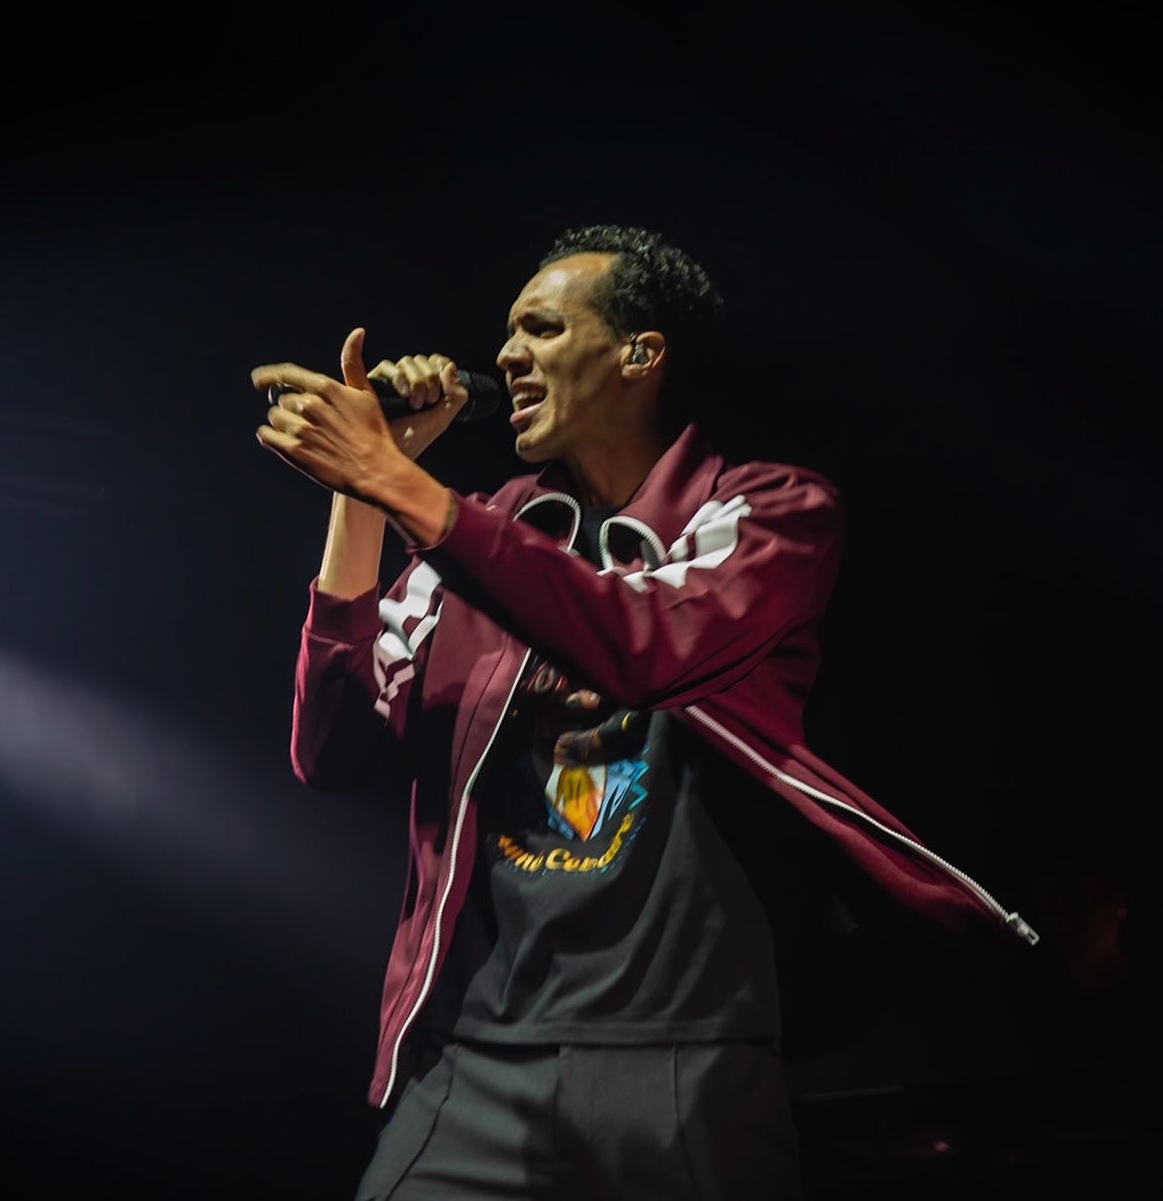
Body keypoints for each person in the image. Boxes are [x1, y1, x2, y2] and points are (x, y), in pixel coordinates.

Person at [252, 226, 1036, 1200]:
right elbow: (331, 749)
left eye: (540, 326)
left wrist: (404, 486)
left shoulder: (770, 511)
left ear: (640, 352)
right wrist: (361, 495)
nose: (504, 355)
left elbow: (643, 644)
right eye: (505, 332)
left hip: (688, 1062)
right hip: (480, 1060)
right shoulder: (473, 532)